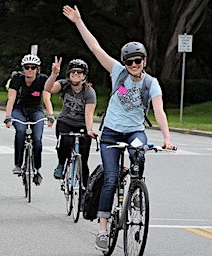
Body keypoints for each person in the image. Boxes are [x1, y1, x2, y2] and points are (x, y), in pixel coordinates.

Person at [62, 5, 177, 251]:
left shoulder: (151, 83)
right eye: (129, 62)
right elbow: (95, 48)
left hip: (134, 131)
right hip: (111, 133)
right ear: (124, 63)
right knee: (111, 178)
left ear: (144, 61)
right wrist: (79, 22)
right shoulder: (118, 73)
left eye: (137, 61)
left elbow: (159, 110)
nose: (134, 65)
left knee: (139, 156)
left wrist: (167, 138)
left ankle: (135, 191)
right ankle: (103, 228)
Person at [44, 58, 98, 190]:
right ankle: (61, 163)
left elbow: (89, 114)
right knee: (65, 142)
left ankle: (86, 190)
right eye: (73, 72)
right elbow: (48, 88)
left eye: (79, 72)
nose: (76, 74)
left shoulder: (89, 92)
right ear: (68, 74)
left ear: (84, 75)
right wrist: (54, 74)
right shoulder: (64, 85)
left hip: (82, 124)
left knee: (83, 160)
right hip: (65, 122)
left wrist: (89, 130)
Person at [4, 54, 54, 186]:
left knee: (37, 139)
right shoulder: (17, 79)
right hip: (19, 109)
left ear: (38, 69)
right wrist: (8, 116)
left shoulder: (42, 79)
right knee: (20, 131)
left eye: (33, 67)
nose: (30, 70)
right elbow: (11, 99)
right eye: (27, 67)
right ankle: (18, 164)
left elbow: (46, 98)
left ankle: (37, 169)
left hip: (36, 110)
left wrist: (50, 114)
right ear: (23, 68)